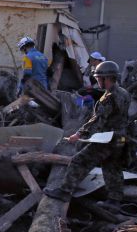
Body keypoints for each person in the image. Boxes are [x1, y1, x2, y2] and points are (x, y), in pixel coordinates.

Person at [44, 61, 131, 202]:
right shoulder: (124, 93)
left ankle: (65, 191)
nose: (97, 81)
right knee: (112, 167)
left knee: (79, 161)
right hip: (120, 139)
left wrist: (79, 134)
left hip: (107, 139)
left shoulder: (109, 98)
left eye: (98, 78)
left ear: (106, 78)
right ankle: (115, 202)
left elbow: (98, 120)